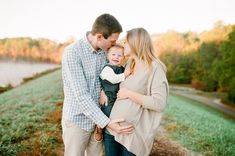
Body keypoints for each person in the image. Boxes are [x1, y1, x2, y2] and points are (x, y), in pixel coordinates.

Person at [61, 13, 134, 156]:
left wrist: (102, 90)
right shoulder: (72, 53)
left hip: (98, 121)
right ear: (99, 37)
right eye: (112, 42)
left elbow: (104, 77)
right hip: (78, 120)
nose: (114, 46)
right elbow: (81, 96)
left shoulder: (104, 52)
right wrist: (106, 122)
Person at [105, 28, 169, 156]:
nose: (123, 45)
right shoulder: (129, 64)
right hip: (112, 129)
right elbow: (113, 83)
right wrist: (103, 92)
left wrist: (129, 94)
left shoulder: (154, 68)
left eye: (126, 42)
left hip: (132, 136)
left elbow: (159, 103)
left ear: (136, 43)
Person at [94, 44, 131, 142]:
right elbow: (113, 79)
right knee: (107, 112)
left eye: (119, 55)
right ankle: (99, 127)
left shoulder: (121, 68)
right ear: (108, 56)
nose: (116, 57)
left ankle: (111, 131)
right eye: (113, 54)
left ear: (123, 57)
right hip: (108, 97)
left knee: (115, 114)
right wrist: (125, 75)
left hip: (116, 97)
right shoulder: (107, 68)